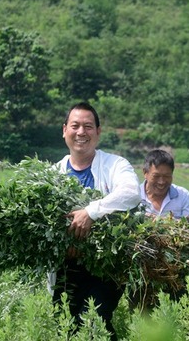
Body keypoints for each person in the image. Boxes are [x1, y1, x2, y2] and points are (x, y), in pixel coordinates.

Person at [50, 102, 141, 341]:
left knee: (91, 323)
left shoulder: (115, 165)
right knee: (64, 327)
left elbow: (131, 193)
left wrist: (91, 212)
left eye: (88, 126)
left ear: (98, 132)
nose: (81, 132)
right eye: (75, 126)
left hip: (107, 265)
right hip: (67, 267)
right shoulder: (53, 174)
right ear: (64, 130)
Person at [129, 149, 189, 311]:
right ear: (145, 173)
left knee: (180, 312)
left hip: (176, 269)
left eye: (167, 177)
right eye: (156, 176)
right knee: (142, 314)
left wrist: (159, 221)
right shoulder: (132, 195)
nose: (161, 182)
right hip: (142, 269)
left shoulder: (182, 195)